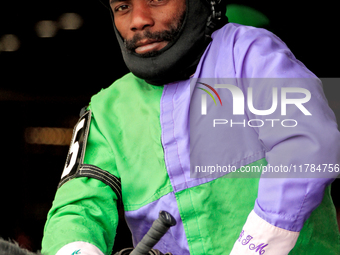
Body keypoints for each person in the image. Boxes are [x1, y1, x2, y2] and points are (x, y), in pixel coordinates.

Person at [41, 0, 340, 255]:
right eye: (122, 7)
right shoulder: (107, 108)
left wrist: (255, 246)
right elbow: (77, 208)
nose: (138, 20)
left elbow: (307, 145)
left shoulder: (249, 53)